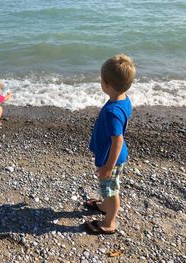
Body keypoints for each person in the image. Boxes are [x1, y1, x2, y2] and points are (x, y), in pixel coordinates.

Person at [84, 54, 136, 235]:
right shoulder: (123, 99)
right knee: (107, 186)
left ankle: (109, 222)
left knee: (111, 189)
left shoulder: (113, 112)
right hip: (112, 154)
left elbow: (117, 140)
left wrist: (108, 166)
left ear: (106, 85)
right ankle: (104, 206)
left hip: (111, 157)